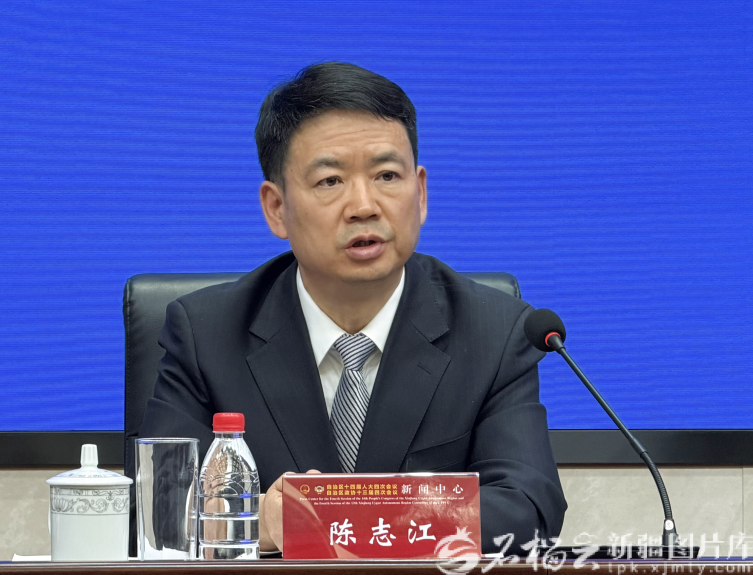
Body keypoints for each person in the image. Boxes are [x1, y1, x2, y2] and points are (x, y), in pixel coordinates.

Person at [138, 61, 567, 554]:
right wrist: (260, 522)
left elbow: (528, 511)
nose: (364, 205)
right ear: (276, 208)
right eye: (330, 181)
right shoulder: (206, 334)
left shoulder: (496, 331)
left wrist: (323, 519)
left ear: (420, 194)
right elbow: (158, 515)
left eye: (387, 175)